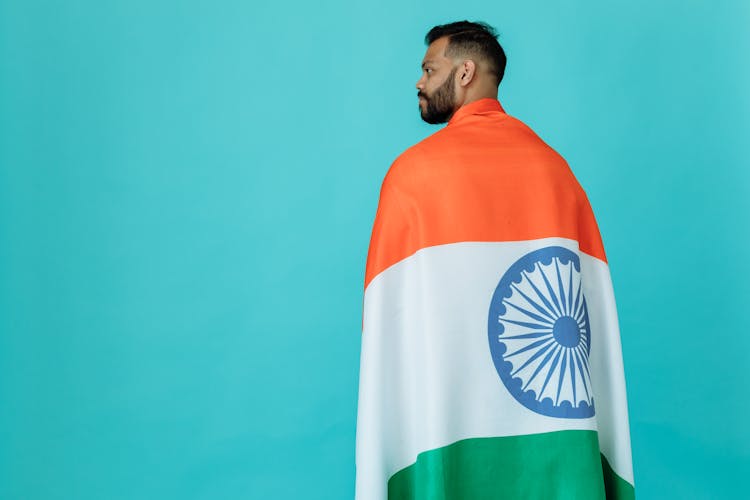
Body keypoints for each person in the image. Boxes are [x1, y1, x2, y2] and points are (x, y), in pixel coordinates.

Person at [355, 21, 634, 500]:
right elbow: (588, 331)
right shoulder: (556, 173)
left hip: (447, 438)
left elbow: (390, 333)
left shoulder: (411, 177)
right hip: (552, 449)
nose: (418, 82)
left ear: (464, 73)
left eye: (429, 69)